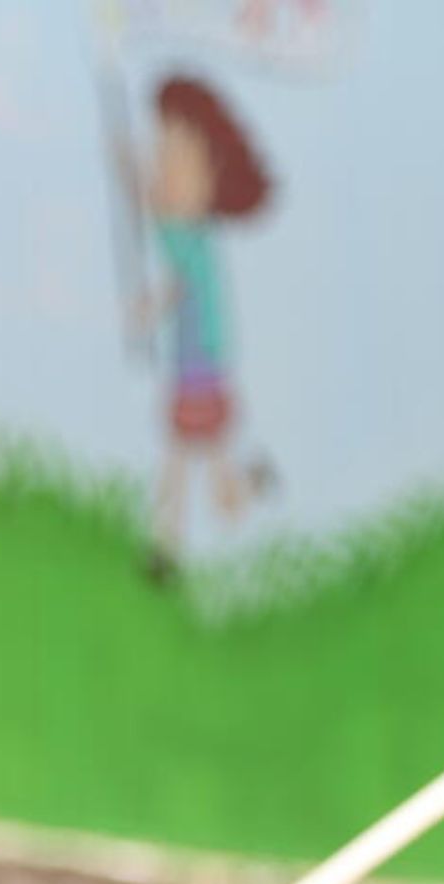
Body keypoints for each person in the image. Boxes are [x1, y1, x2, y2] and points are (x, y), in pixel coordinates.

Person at [128, 74, 277, 583]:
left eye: (176, 157)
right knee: (199, 466)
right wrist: (135, 173)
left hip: (201, 370)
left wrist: (147, 310)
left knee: (197, 467)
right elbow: (160, 207)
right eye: (160, 151)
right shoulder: (185, 230)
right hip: (197, 368)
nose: (163, 168)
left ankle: (177, 540)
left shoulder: (192, 239)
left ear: (211, 174)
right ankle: (170, 543)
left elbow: (174, 279)